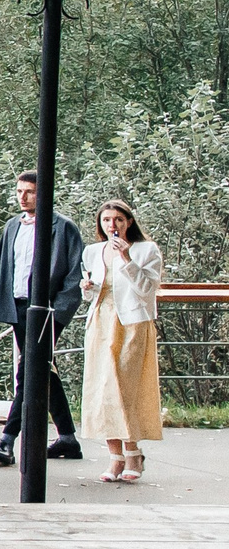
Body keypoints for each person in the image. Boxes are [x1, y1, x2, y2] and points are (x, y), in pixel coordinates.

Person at [0, 170, 86, 466]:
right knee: (42, 370)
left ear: (44, 193)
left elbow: (75, 274)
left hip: (46, 312)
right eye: (19, 191)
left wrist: (58, 313)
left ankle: (7, 440)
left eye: (30, 192)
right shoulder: (13, 226)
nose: (23, 197)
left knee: (29, 371)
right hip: (17, 307)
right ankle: (67, 438)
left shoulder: (63, 228)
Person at [80, 199, 163, 483]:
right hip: (102, 322)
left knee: (125, 389)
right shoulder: (92, 251)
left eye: (118, 220)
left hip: (132, 323)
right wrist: (87, 288)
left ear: (129, 222)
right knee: (102, 390)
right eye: (106, 220)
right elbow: (93, 293)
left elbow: (145, 289)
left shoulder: (145, 250)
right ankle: (115, 457)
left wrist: (126, 258)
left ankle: (133, 454)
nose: (112, 226)